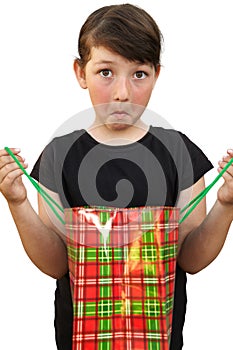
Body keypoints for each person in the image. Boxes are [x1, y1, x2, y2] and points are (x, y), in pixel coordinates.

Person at [0, 3, 233, 350]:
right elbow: (54, 263)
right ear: (80, 73)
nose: (122, 92)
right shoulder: (58, 155)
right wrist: (16, 202)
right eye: (106, 72)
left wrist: (226, 205)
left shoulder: (179, 151)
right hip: (78, 337)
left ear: (156, 74)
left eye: (138, 74)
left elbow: (191, 259)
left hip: (160, 337)